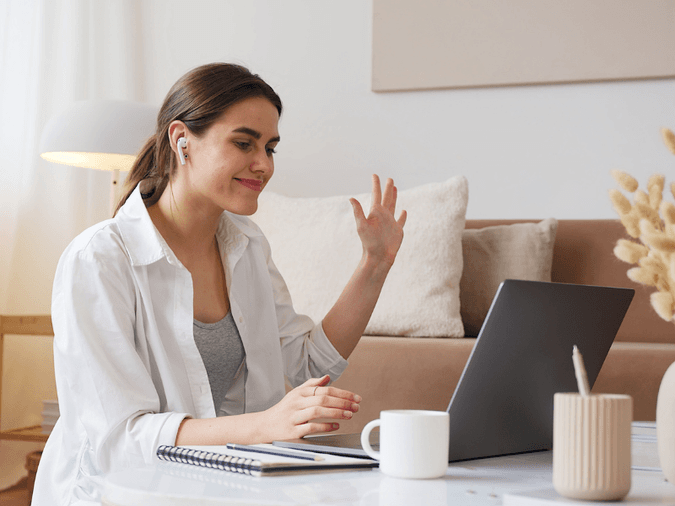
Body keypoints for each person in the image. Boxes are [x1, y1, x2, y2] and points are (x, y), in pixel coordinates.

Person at [32, 62, 407, 505]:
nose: (263, 164)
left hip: (219, 486)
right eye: (244, 143)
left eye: (270, 148)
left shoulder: (246, 245)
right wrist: (266, 425)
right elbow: (119, 440)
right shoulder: (99, 259)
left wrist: (374, 264)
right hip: (119, 493)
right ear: (181, 140)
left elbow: (306, 362)